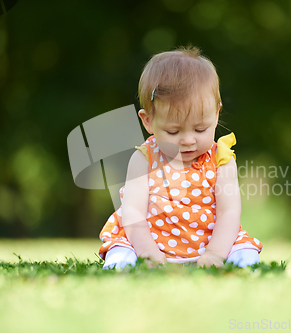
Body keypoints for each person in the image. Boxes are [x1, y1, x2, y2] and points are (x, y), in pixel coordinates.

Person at [98, 46, 262, 269]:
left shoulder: (221, 160)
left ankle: (233, 261)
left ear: (216, 114)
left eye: (200, 129)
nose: (188, 140)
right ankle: (125, 262)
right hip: (149, 240)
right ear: (148, 121)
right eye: (173, 132)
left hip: (211, 241)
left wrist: (214, 253)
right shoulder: (144, 159)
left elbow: (229, 212)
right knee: (121, 251)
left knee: (245, 253)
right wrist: (147, 252)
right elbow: (133, 211)